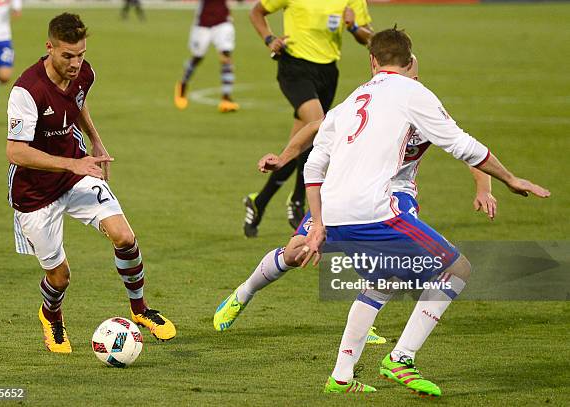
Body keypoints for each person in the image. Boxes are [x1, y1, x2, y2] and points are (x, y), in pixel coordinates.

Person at [296, 28, 549, 395]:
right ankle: (401, 358)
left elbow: (314, 166)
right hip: (375, 210)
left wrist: (318, 223)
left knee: (382, 282)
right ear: (411, 61)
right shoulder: (414, 92)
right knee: (456, 268)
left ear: (372, 62)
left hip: (334, 213)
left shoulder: (351, 100)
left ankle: (341, 377)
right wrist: (509, 179)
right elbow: (462, 145)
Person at [213, 57, 496, 346]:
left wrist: (483, 189)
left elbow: (467, 150)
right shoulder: (374, 104)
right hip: (348, 190)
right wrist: (285, 157)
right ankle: (244, 293)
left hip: (396, 195)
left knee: (393, 268)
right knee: (296, 252)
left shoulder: (425, 109)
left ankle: (364, 328)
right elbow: (316, 127)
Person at [6, 13, 176, 354]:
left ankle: (140, 310)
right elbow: (16, 152)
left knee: (125, 236)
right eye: (67, 55)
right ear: (49, 48)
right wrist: (74, 162)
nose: (75, 63)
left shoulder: (84, 73)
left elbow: (79, 103)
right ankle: (51, 315)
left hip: (77, 173)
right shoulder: (27, 90)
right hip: (35, 193)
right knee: (60, 277)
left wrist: (96, 141)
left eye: (80, 54)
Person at [243, 0, 374, 237]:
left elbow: (371, 39)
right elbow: (256, 12)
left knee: (301, 139)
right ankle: (297, 201)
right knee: (319, 127)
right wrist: (269, 39)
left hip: (328, 73)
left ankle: (259, 201)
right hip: (294, 68)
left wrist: (354, 27)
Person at [174, 0, 241, 113]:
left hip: (222, 21)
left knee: (226, 57)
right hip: (203, 23)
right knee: (197, 57)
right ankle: (183, 84)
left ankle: (226, 98)